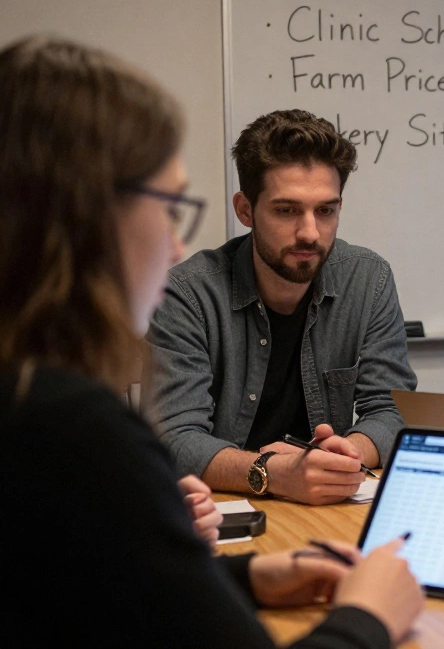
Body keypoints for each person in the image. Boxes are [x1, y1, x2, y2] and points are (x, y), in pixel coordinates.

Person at [0, 35, 422, 647]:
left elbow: (95, 591)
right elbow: (175, 440)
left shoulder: (32, 402)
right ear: (91, 217)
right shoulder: (62, 423)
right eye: (169, 209)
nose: (174, 245)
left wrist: (247, 576)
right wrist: (370, 614)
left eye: (327, 210)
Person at [144, 109, 416, 505]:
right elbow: (175, 438)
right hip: (224, 507)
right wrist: (273, 472)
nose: (310, 232)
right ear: (245, 210)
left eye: (326, 210)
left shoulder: (368, 279)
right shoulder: (186, 294)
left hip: (329, 502)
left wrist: (342, 456)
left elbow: (391, 410)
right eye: (286, 210)